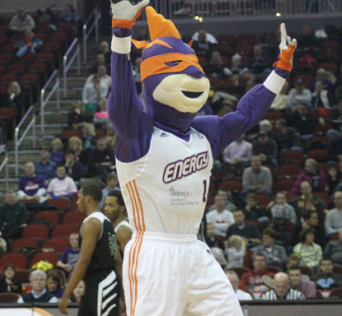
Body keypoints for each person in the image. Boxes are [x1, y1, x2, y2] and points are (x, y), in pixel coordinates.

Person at [108, 2, 296, 315]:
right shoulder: (137, 133)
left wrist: (281, 70)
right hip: (155, 249)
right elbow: (122, 97)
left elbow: (244, 114)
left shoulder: (204, 132)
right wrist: (121, 31)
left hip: (195, 249)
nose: (193, 76)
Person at [59, 183, 120, 315]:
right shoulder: (107, 222)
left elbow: (83, 261)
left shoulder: (91, 224)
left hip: (102, 282)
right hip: (99, 282)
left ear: (87, 199)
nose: (77, 202)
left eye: (79, 197)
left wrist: (67, 293)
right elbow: (118, 259)